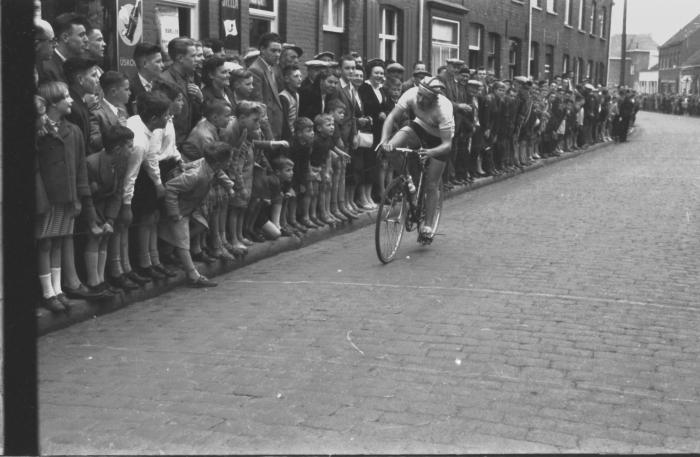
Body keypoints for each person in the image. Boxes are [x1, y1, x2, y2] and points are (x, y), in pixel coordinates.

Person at [36, 81, 104, 309]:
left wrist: (80, 198)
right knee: (45, 243)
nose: (71, 100)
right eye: (66, 97)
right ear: (53, 104)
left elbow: (80, 169)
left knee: (57, 242)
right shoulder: (40, 131)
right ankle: (48, 293)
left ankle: (58, 289)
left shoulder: (73, 131)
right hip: (47, 199)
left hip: (68, 197)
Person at [378, 76, 455, 239]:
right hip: (419, 127)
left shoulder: (443, 109)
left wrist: (431, 152)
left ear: (434, 99)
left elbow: (447, 145)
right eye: (419, 94)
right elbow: (391, 117)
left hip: (439, 139)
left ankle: (427, 225)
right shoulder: (411, 94)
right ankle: (408, 180)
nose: (419, 99)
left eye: (425, 98)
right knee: (391, 148)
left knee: (431, 184)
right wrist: (384, 140)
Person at [159, 141, 235, 288]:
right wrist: (174, 212)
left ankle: (169, 252)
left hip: (190, 206)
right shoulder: (195, 175)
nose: (230, 160)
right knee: (183, 241)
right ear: (220, 162)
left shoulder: (209, 165)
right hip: (180, 208)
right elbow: (171, 188)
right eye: (229, 158)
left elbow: (218, 174)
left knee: (201, 225)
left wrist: (229, 186)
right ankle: (193, 275)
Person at [181, 99, 236, 261]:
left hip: (204, 170)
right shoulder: (205, 135)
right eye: (226, 116)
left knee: (216, 203)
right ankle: (201, 247)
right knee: (204, 210)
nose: (229, 119)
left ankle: (215, 242)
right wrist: (229, 184)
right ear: (214, 117)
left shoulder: (212, 126)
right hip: (196, 172)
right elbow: (213, 164)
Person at [84, 125, 134, 295]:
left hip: (106, 206)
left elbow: (118, 192)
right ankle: (93, 281)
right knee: (95, 238)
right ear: (118, 148)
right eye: (129, 146)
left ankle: (101, 279)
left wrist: (110, 219)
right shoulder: (92, 163)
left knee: (105, 236)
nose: (132, 149)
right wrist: (94, 221)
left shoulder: (122, 161)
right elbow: (87, 197)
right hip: (90, 207)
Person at [358, 58, 391, 207]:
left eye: (381, 73)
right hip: (368, 132)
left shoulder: (382, 89)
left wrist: (384, 112)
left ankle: (372, 194)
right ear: (369, 74)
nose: (379, 75)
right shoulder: (364, 88)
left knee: (377, 164)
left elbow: (389, 105)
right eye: (376, 72)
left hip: (381, 132)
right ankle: (363, 196)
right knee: (368, 163)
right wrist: (377, 114)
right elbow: (365, 106)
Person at [159, 37, 203, 147]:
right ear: (180, 58)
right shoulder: (164, 81)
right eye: (193, 56)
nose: (197, 59)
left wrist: (200, 98)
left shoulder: (189, 78)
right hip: (172, 144)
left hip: (186, 142)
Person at [248, 32, 284, 140]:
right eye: (273, 50)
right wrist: (270, 138)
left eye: (279, 51)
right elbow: (260, 107)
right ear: (262, 50)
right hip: (267, 133)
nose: (277, 54)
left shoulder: (272, 68)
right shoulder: (256, 70)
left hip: (275, 128)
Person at [63, 57, 102, 153]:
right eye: (93, 75)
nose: (98, 80)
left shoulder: (80, 102)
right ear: (80, 79)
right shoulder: (73, 109)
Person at [39, 13, 89, 83]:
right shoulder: (48, 69)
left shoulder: (77, 65)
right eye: (81, 35)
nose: (86, 39)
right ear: (65, 37)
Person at [286, 116, 315, 231]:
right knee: (293, 195)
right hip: (290, 173)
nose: (312, 133)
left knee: (309, 190)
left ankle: (305, 217)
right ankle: (292, 220)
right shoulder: (292, 145)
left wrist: (304, 180)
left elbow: (305, 163)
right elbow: (290, 164)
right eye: (309, 131)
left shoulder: (307, 145)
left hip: (301, 172)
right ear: (298, 133)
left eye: (312, 131)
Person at [128, 43, 164, 115]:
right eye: (158, 61)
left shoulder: (162, 86)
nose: (162, 65)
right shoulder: (129, 88)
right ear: (144, 63)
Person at [278, 64, 303, 142]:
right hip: (287, 137)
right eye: (296, 76)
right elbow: (284, 123)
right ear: (287, 79)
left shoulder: (297, 95)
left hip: (295, 134)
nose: (299, 79)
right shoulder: (283, 97)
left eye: (300, 76)